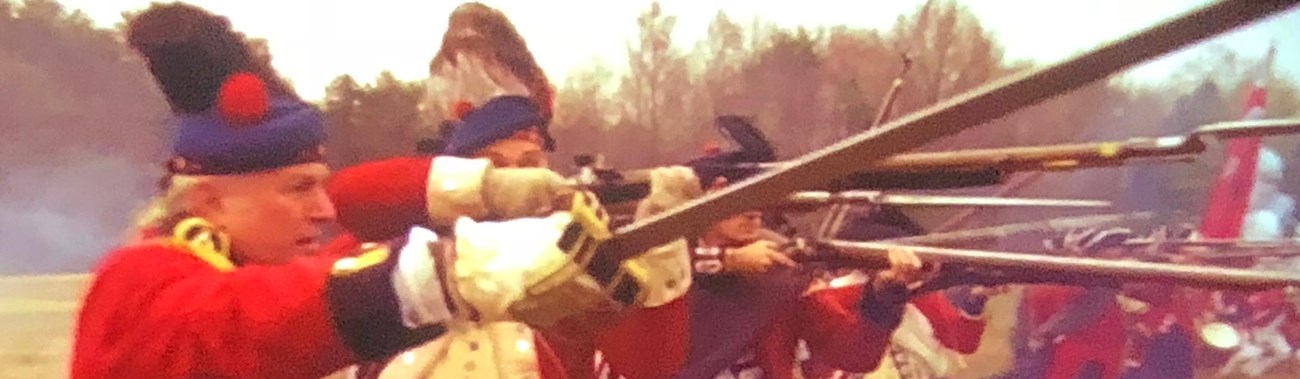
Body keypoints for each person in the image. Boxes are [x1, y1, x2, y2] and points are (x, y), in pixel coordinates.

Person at [72, 4, 604, 378]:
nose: (325, 209)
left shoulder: (257, 269)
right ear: (210, 203)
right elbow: (248, 322)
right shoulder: (136, 282)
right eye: (299, 189)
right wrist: (440, 273)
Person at [1008, 228, 1134, 379]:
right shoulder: (1094, 288)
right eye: (1112, 247)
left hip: (1077, 362)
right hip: (1076, 364)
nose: (1121, 252)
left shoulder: (1102, 287)